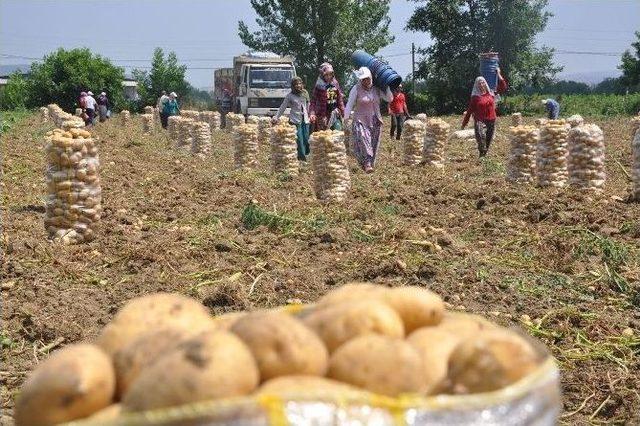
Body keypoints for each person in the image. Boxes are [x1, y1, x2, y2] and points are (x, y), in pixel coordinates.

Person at [344, 67, 393, 173]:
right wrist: (346, 118)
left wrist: (387, 86)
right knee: (364, 140)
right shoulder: (356, 88)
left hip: (375, 119)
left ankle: (369, 162)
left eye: (367, 78)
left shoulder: (376, 88)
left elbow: (389, 99)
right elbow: (349, 104)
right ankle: (367, 164)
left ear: (371, 77)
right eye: (363, 79)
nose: (365, 81)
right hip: (360, 120)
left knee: (373, 143)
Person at [461, 69, 507, 157]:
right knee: (481, 136)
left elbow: (503, 86)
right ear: (476, 85)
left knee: (488, 140)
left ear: (485, 83)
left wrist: (499, 74)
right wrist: (464, 124)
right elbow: (469, 111)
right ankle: (482, 151)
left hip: (491, 119)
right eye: (479, 83)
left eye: (482, 82)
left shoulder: (491, 93)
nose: (481, 85)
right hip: (480, 119)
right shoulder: (475, 97)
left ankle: (483, 156)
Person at [273, 77, 311, 161]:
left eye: (299, 83)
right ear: (293, 86)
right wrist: (276, 117)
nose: (298, 86)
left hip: (305, 120)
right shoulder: (290, 96)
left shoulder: (305, 93)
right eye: (296, 84)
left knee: (306, 139)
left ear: (302, 84)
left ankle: (306, 155)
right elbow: (283, 107)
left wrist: (310, 114)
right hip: (295, 120)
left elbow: (308, 105)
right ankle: (301, 159)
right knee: (299, 140)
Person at [309, 62, 345, 131]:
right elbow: (313, 101)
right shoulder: (318, 86)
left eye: (330, 75)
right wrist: (312, 113)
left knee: (337, 134)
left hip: (334, 113)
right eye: (326, 75)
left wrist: (344, 113)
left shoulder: (335, 84)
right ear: (322, 75)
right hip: (322, 116)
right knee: (324, 138)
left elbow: (339, 99)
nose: (329, 77)